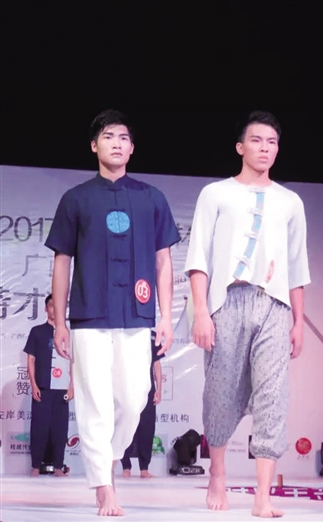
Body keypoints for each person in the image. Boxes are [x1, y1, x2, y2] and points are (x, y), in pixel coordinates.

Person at [45, 109, 180, 517]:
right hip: (90, 316)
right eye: (108, 136)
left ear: (132, 148)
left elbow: (164, 261)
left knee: (135, 398)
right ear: (94, 145)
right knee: (95, 404)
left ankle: (108, 457)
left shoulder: (151, 198)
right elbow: (62, 262)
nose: (116, 143)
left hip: (137, 315)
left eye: (123, 137)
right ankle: (104, 487)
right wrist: (60, 322)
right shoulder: (76, 199)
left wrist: (166, 316)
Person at [185, 110, 311, 518]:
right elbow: (198, 256)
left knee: (274, 396)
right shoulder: (216, 194)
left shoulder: (290, 202)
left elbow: (297, 265)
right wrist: (201, 313)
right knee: (220, 392)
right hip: (227, 302)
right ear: (241, 147)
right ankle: (218, 473)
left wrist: (299, 321)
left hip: (274, 306)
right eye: (257, 141)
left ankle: (262, 495)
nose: (265, 148)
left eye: (272, 142)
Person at [24, 294, 73, 477]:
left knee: (60, 429)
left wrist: (72, 387)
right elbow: (31, 360)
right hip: (43, 388)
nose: (54, 308)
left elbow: (74, 362)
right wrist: (34, 385)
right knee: (39, 428)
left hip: (62, 390)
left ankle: (59, 466)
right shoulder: (37, 332)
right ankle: (36, 466)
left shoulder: (69, 334)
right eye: (51, 305)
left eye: (58, 305)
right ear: (46, 308)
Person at [121, 331, 163, 478]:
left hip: (147, 388)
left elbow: (157, 364)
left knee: (146, 428)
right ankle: (126, 466)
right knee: (125, 426)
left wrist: (159, 389)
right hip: (126, 387)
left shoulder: (152, 336)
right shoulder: (122, 332)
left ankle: (144, 468)